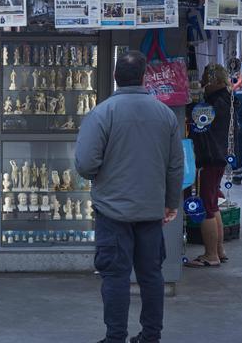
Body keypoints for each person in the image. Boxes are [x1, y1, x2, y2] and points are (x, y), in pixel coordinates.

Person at [75, 51, 183, 343]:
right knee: (151, 275)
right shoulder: (165, 115)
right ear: (144, 77)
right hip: (151, 211)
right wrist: (171, 203)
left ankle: (115, 337)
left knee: (115, 276)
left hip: (112, 211)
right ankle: (151, 336)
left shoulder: (102, 113)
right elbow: (176, 165)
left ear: (115, 77)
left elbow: (85, 164)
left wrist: (102, 175)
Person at [185, 64, 232, 268]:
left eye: (206, 78)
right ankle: (219, 250)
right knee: (212, 204)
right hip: (217, 157)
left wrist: (185, 99)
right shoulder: (224, 99)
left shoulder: (215, 102)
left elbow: (193, 113)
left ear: (216, 80)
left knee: (205, 207)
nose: (203, 82)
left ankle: (210, 254)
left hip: (209, 159)